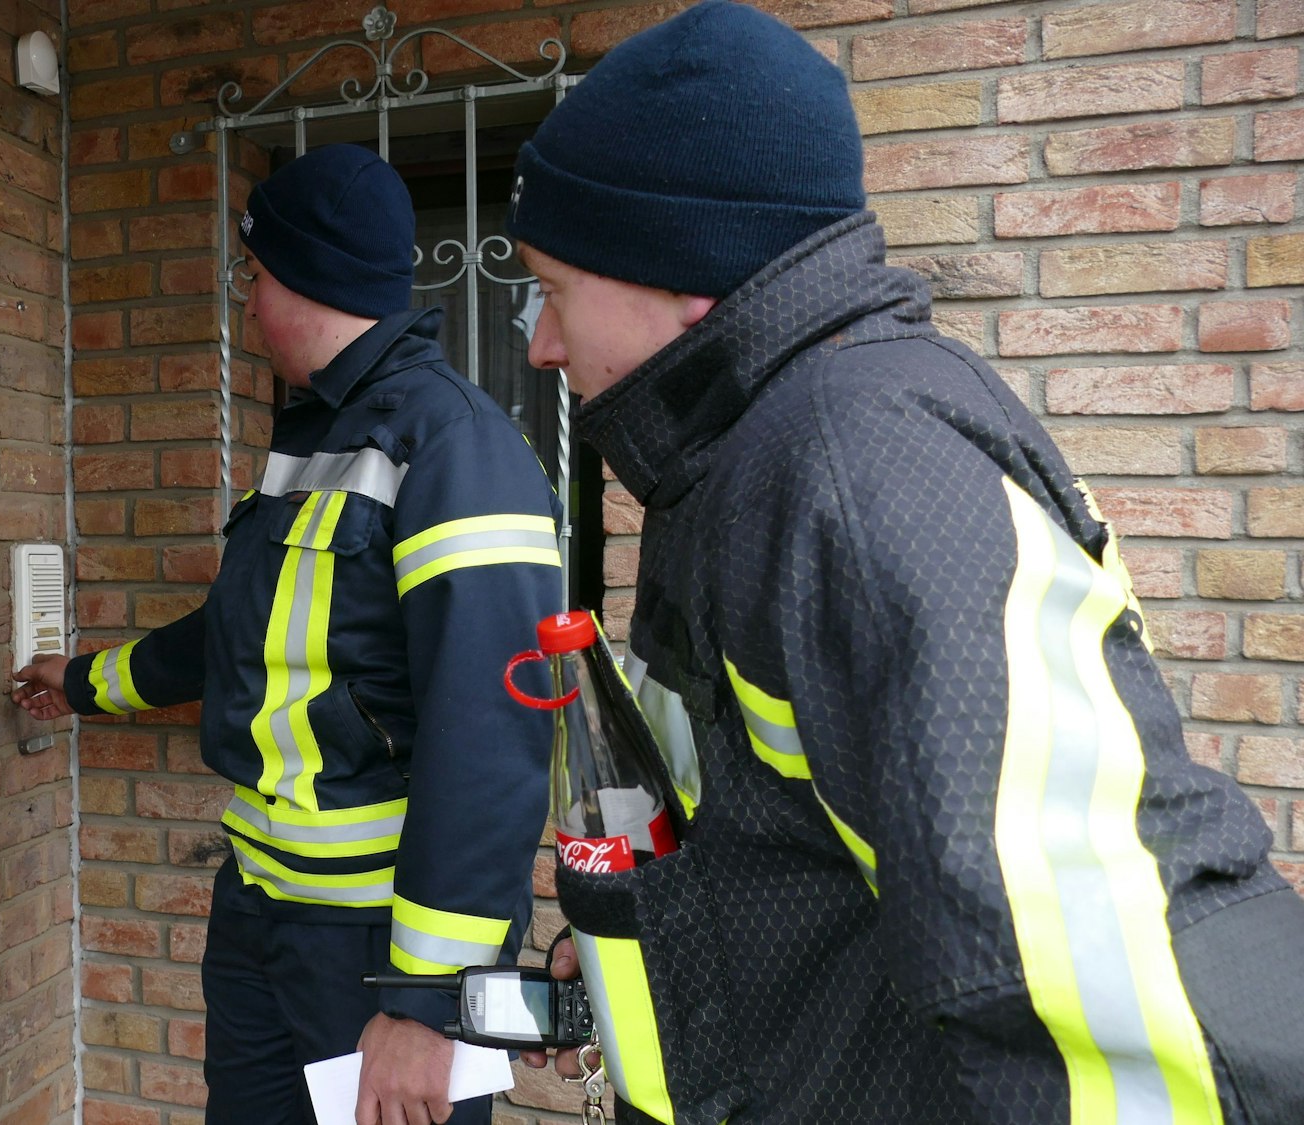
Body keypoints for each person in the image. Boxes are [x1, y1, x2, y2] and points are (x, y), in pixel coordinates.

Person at [504, 4, 1304, 1123]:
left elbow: (1076, 990)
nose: (539, 342)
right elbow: (797, 857)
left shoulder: (848, 471)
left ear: (681, 276)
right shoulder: (751, 454)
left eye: (551, 289)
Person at [13, 143, 566, 1125]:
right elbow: (235, 637)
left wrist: (428, 1004)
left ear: (302, 281)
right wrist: (81, 682)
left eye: (255, 276)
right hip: (263, 918)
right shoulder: (314, 436)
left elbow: (490, 742)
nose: (247, 301)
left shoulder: (456, 446)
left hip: (374, 948)